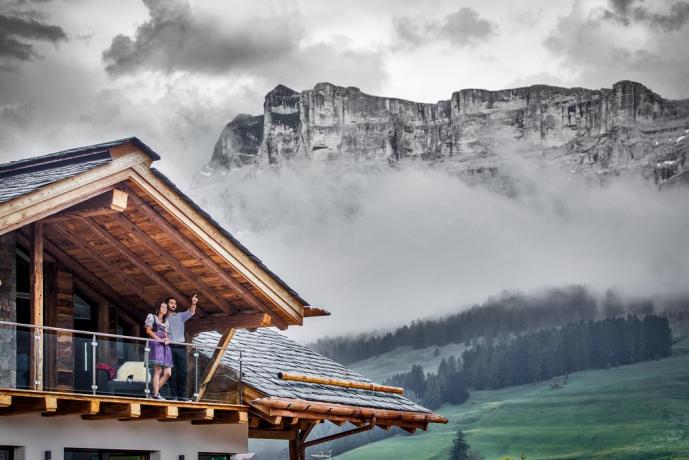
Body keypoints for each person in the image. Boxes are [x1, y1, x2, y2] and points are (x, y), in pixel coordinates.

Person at [166, 294, 198, 400]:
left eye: (175, 303)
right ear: (166, 304)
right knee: (172, 373)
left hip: (180, 347)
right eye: (171, 303)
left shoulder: (180, 316)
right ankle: (173, 396)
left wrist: (193, 303)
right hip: (169, 347)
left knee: (183, 371)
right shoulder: (163, 319)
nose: (174, 305)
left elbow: (191, 312)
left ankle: (183, 396)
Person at [144, 300, 173, 400]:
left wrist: (167, 339)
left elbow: (167, 334)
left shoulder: (166, 321)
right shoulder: (152, 317)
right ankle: (156, 394)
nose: (165, 309)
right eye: (163, 307)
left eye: (166, 308)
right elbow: (148, 330)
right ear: (158, 308)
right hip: (156, 344)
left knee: (168, 373)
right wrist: (158, 339)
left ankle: (154, 393)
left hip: (165, 345)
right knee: (158, 371)